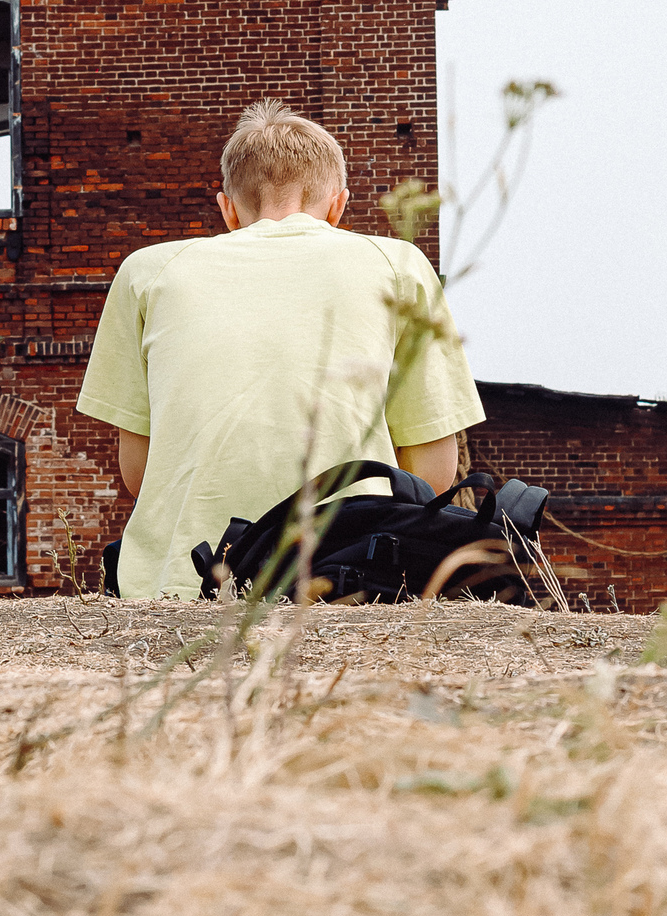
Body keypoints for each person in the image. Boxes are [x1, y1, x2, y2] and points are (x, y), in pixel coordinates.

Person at [75, 99, 483, 600]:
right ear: (338, 206)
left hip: (183, 585)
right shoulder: (398, 263)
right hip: (357, 576)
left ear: (227, 209)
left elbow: (139, 474)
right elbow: (432, 475)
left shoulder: (147, 272)